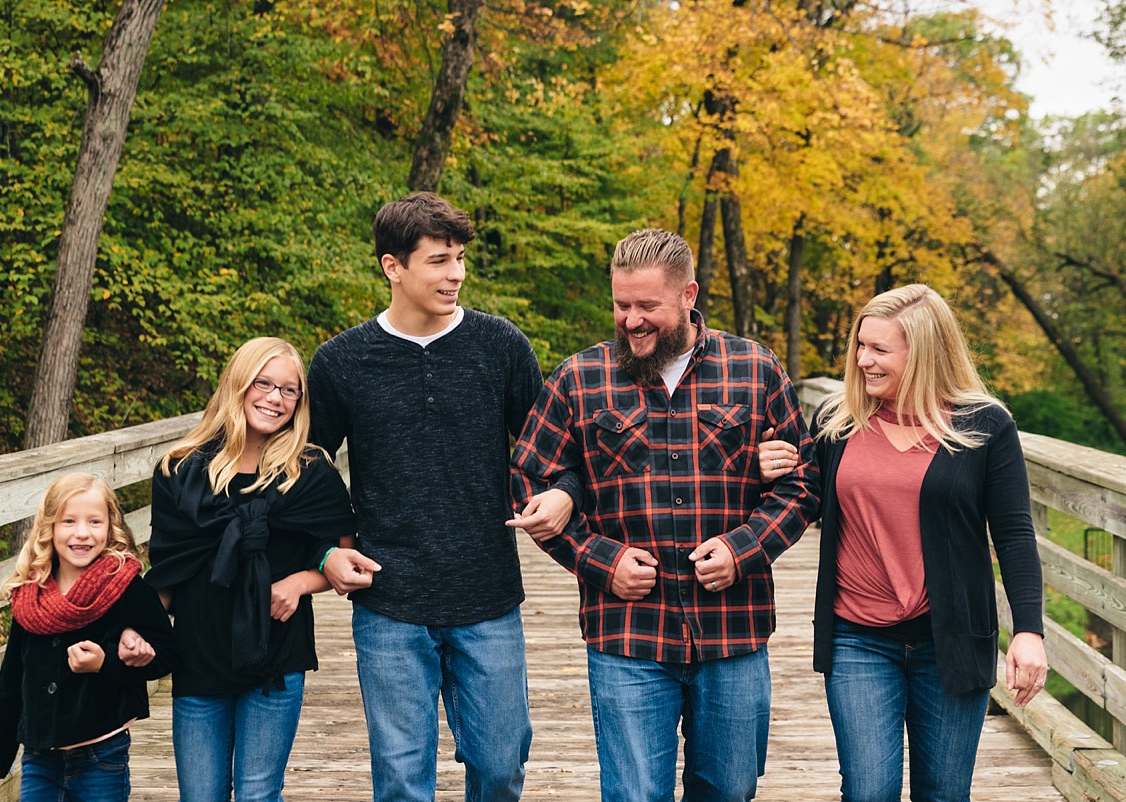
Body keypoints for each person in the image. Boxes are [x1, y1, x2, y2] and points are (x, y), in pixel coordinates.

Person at [511, 228, 818, 802]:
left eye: (647, 306)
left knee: (728, 791)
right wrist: (599, 561)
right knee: (632, 795)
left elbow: (803, 483)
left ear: (688, 295)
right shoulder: (579, 379)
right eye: (621, 305)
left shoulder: (754, 369)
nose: (631, 321)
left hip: (733, 630)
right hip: (627, 634)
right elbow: (529, 482)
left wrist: (742, 549)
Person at [307, 191, 578, 802]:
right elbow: (306, 477)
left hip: (487, 592)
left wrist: (562, 493)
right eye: (438, 260)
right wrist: (325, 552)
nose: (455, 274)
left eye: (459, 259)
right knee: (402, 780)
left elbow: (553, 451)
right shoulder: (342, 361)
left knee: (501, 765)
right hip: (388, 598)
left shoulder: (501, 345)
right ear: (392, 267)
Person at [759, 283, 1048, 801]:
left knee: (943, 793)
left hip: (952, 640)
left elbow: (1014, 532)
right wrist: (767, 473)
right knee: (869, 791)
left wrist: (1028, 630)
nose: (864, 360)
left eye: (879, 350)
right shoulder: (836, 420)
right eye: (860, 346)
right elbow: (802, 501)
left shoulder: (984, 426)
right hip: (858, 637)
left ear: (923, 352)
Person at [146, 336, 358, 802]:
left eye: (289, 390)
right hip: (198, 652)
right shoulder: (179, 470)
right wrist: (131, 634)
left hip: (276, 653)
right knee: (200, 795)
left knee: (260, 793)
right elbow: (166, 569)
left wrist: (301, 582)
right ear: (237, 385)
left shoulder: (309, 472)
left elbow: (345, 559)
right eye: (263, 383)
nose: (274, 398)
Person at [0, 473, 178, 800]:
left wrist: (107, 661)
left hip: (101, 752)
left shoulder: (125, 586)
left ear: (110, 526)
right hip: (40, 755)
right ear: (50, 527)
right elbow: (12, 677)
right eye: (69, 521)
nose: (82, 533)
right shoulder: (32, 594)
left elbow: (168, 655)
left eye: (94, 522)